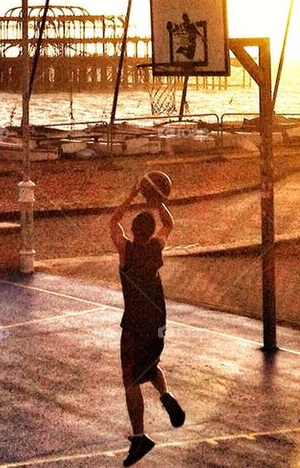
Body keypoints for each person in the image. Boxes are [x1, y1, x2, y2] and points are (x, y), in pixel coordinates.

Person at [110, 177, 185, 467]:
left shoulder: (126, 252)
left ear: (132, 231)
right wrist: (157, 200)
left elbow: (112, 222)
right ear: (152, 231)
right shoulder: (156, 247)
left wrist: (131, 195)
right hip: (158, 322)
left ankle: (140, 437)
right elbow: (170, 224)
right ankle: (166, 395)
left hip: (134, 325)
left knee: (131, 380)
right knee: (150, 365)